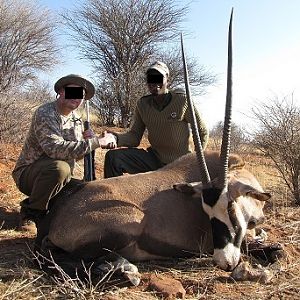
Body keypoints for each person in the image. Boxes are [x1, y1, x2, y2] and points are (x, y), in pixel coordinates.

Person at [12, 74, 116, 229]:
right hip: (30, 174)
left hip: (61, 176)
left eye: (80, 95)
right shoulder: (45, 112)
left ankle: (50, 208)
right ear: (60, 91)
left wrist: (90, 143)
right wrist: (96, 143)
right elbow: (55, 150)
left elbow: (77, 154)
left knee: (85, 190)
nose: (77, 98)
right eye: (72, 92)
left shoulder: (76, 119)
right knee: (60, 169)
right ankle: (31, 212)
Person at [103, 61, 209, 178]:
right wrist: (115, 138)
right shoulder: (143, 104)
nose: (154, 82)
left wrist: (194, 160)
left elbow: (202, 130)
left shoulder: (182, 100)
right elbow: (134, 136)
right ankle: (109, 195)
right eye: (150, 78)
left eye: (158, 77)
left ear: (167, 79)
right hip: (154, 159)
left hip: (179, 164)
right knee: (113, 158)